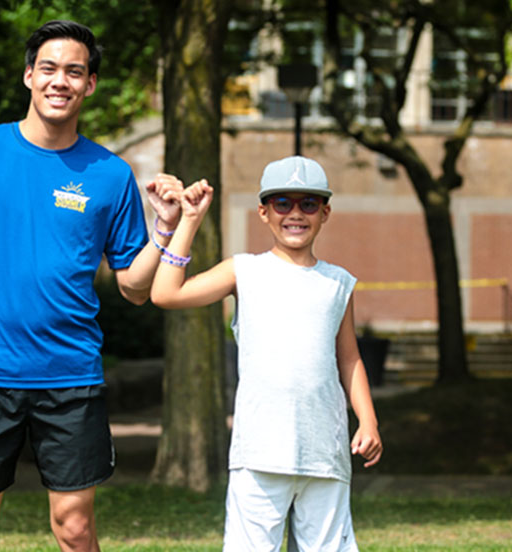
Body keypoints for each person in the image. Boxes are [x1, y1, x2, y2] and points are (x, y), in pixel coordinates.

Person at [0, 20, 182, 552]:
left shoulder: (110, 174)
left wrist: (167, 228)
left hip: (71, 375)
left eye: (75, 71)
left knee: (76, 527)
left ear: (90, 85)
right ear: (29, 76)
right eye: (50, 68)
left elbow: (133, 287)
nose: (60, 80)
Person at [151, 156, 383, 551]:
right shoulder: (243, 271)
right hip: (259, 451)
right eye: (283, 203)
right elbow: (165, 293)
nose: (296, 214)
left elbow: (349, 359)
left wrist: (368, 421)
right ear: (264, 212)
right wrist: (188, 221)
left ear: (325, 212)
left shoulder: (338, 283)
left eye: (308, 204)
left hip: (325, 453)